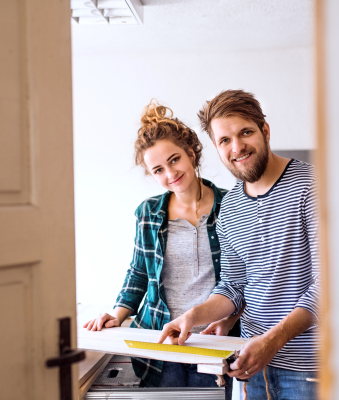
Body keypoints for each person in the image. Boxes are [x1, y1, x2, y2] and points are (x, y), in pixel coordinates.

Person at [158, 90, 319, 400]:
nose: (237, 147)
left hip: (308, 370)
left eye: (245, 132)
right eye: (224, 140)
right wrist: (194, 317)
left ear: (265, 131)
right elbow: (233, 286)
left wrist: (271, 342)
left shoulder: (312, 186)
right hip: (249, 366)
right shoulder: (230, 207)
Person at [83, 100, 239, 398]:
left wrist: (229, 318)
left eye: (174, 159)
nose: (170, 173)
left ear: (191, 153)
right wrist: (117, 313)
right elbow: (138, 272)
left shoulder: (231, 206)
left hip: (214, 338)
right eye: (158, 169)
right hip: (160, 339)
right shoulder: (148, 212)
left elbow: (244, 277)